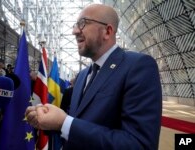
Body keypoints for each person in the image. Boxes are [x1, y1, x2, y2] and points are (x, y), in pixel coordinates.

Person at [25, 4, 162, 150]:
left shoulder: (138, 66)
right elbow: (77, 122)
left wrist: (63, 122)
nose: (74, 31)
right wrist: (48, 120)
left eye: (83, 23)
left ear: (107, 31)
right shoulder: (83, 75)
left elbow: (139, 144)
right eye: (75, 25)